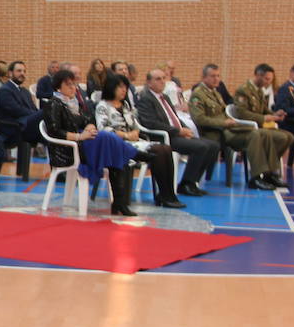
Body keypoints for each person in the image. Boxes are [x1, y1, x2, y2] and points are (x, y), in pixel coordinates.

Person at [43, 69, 142, 216]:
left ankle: (119, 204)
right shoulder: (53, 103)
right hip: (67, 150)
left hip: (84, 145)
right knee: (107, 138)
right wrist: (79, 137)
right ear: (58, 87)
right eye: (69, 85)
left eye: (74, 84)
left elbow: (88, 120)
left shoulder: (74, 103)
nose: (73, 88)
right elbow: (54, 131)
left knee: (115, 155)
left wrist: (90, 126)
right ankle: (138, 154)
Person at [93, 75, 183, 208]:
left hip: (134, 140)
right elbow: (103, 129)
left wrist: (135, 132)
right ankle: (165, 196)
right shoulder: (102, 106)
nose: (124, 90)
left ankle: (167, 194)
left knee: (166, 149)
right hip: (118, 144)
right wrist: (126, 135)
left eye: (125, 87)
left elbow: (135, 124)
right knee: (158, 150)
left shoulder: (126, 105)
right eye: (120, 87)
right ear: (111, 88)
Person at [191, 65, 283, 191]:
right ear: (203, 77)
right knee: (255, 135)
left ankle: (268, 174)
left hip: (228, 129)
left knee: (263, 133)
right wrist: (223, 123)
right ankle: (256, 177)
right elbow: (199, 119)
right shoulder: (198, 95)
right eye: (213, 76)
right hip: (216, 133)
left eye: (218, 76)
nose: (217, 79)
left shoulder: (215, 93)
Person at [136, 68, 219, 195]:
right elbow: (151, 123)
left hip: (175, 133)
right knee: (201, 147)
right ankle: (186, 184)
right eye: (158, 79)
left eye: (164, 78)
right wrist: (178, 131)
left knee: (213, 146)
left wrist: (185, 129)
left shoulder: (165, 97)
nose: (162, 82)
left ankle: (192, 182)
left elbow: (175, 117)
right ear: (149, 82)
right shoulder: (146, 98)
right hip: (163, 137)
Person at [233, 65, 294, 173]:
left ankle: (270, 167)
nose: (269, 82)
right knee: (280, 137)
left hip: (259, 126)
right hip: (247, 127)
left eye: (270, 80)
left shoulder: (259, 91)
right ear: (258, 76)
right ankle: (267, 171)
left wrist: (275, 114)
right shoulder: (243, 90)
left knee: (289, 137)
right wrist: (264, 118)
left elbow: (264, 109)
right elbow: (242, 113)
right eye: (267, 79)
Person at [0, 60, 44, 149]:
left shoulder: (25, 91)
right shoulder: (5, 90)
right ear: (10, 73)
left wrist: (37, 114)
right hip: (13, 126)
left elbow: (33, 108)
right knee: (47, 112)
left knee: (48, 116)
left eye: (24, 71)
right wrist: (37, 115)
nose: (22, 73)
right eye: (19, 71)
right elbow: (16, 110)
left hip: (26, 122)